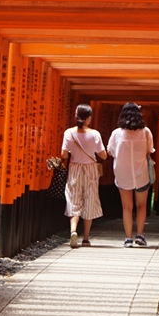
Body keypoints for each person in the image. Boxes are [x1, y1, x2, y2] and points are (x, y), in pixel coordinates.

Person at [106, 102, 154, 247]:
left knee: (127, 207)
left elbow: (111, 151)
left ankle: (128, 238)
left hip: (123, 174)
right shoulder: (145, 132)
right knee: (141, 206)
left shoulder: (116, 133)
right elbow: (149, 150)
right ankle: (140, 235)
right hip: (141, 174)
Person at [60, 104, 107, 248]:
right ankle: (86, 238)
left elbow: (63, 154)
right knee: (89, 202)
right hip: (90, 169)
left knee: (74, 200)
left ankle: (73, 231)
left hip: (74, 168)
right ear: (88, 118)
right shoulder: (95, 134)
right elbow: (103, 156)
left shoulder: (69, 133)